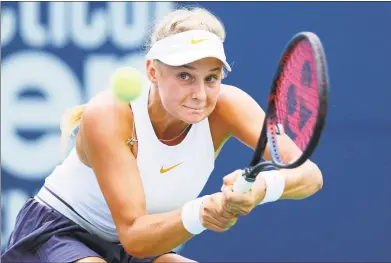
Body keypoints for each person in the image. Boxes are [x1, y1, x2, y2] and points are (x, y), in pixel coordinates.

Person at [1, 6, 323, 263]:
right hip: (61, 233)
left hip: (138, 246)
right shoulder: (110, 114)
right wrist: (201, 212)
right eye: (185, 75)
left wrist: (261, 188)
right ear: (152, 71)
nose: (200, 94)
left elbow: (309, 174)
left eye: (211, 78)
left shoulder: (228, 105)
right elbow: (135, 236)